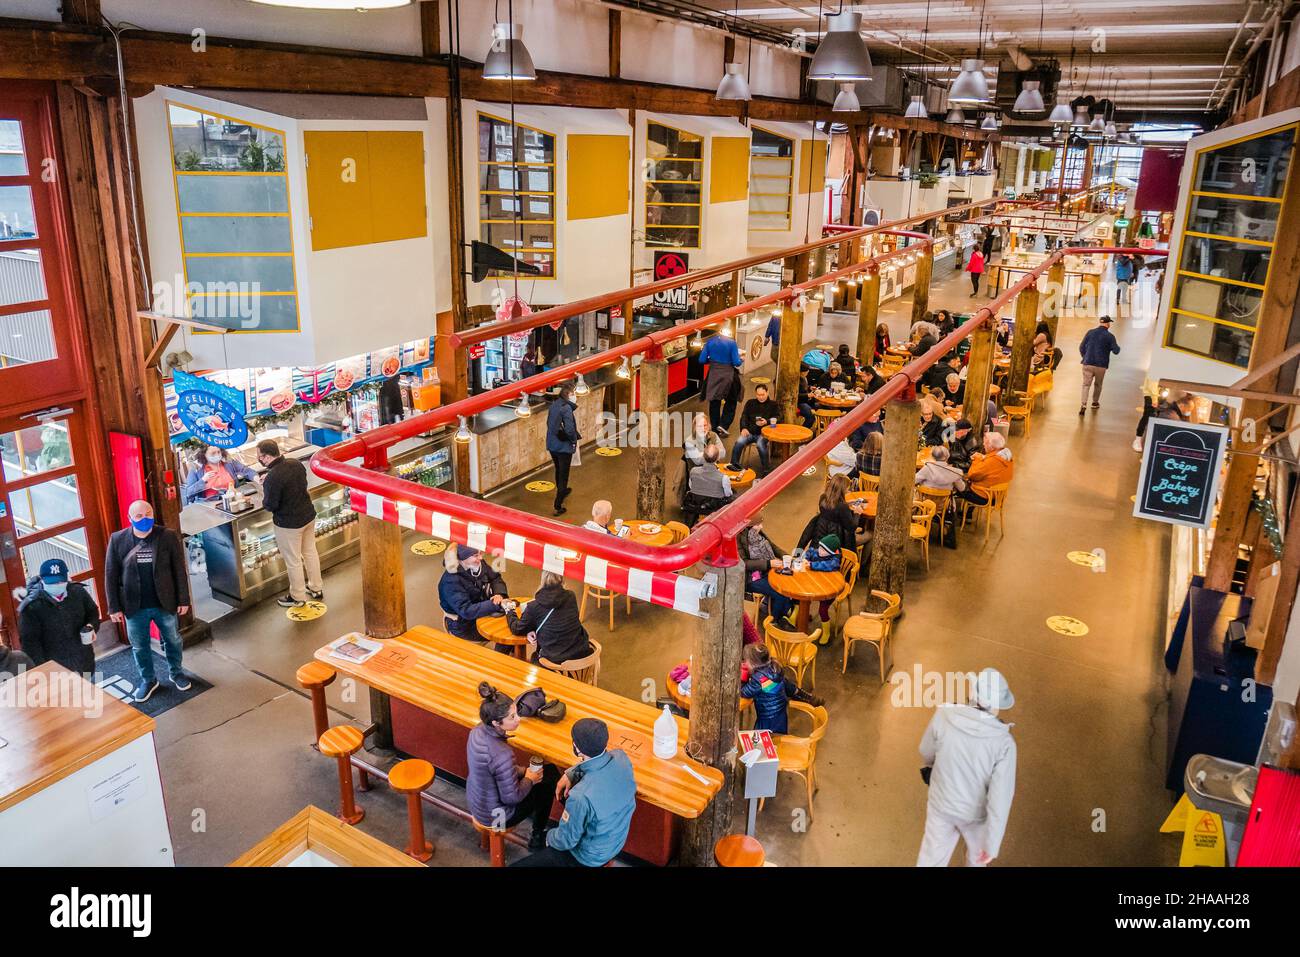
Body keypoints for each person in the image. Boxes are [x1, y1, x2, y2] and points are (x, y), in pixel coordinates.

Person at [917, 668, 1017, 867]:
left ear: (973, 693)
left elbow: (925, 750)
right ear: (997, 705)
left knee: (930, 860)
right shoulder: (1004, 743)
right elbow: (1001, 798)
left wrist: (933, 767)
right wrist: (992, 844)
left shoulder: (944, 713)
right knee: (976, 862)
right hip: (974, 815)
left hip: (941, 802)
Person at [512, 718, 636, 867]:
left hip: (587, 857)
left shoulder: (580, 796)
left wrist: (548, 837)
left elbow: (566, 840)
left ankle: (539, 842)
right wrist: (570, 773)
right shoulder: (621, 757)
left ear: (577, 747)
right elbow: (594, 764)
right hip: (616, 840)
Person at [105, 500, 191, 702]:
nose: (145, 519)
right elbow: (110, 574)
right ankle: (148, 680)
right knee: (140, 646)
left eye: (148, 514)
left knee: (173, 640)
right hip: (134, 606)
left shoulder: (167, 536)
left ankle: (176, 672)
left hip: (165, 602)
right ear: (130, 519)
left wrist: (183, 599)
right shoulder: (118, 540)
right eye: (139, 516)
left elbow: (179, 569)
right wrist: (114, 607)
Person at [466, 682, 560, 851]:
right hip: (497, 817)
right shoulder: (501, 754)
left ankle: (538, 834)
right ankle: (537, 836)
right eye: (512, 717)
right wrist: (530, 779)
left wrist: (524, 772)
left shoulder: (477, 732)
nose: (518, 719)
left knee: (545, 774)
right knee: (549, 778)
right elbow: (512, 798)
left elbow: (496, 770)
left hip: (476, 802)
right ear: (496, 722)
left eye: (516, 713)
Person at [257, 439, 323, 608]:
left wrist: (266, 487)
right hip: (308, 515)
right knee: (310, 552)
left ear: (265, 457)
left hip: (288, 524)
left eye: (259, 456)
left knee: (293, 560)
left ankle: (298, 596)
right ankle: (316, 588)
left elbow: (270, 505)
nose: (259, 459)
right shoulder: (295, 464)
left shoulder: (273, 478)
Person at [17, 559, 99, 676]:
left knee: (88, 689)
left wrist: (91, 626)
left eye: (60, 582)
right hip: (54, 669)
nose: (57, 585)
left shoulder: (78, 592)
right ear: (42, 580)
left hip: (84, 660)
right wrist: (42, 671)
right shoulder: (31, 606)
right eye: (52, 583)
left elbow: (92, 612)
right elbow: (30, 645)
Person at [506, 571, 592, 665]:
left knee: (534, 657)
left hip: (555, 664)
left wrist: (509, 609)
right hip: (582, 655)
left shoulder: (534, 607)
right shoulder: (571, 596)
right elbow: (561, 621)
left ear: (542, 581)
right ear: (562, 579)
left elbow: (517, 628)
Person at [438, 544, 508, 640]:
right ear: (463, 558)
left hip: (481, 610)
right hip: (463, 625)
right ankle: (500, 654)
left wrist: (498, 594)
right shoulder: (451, 582)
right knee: (504, 632)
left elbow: (495, 577)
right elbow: (466, 611)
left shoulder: (477, 564)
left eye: (480, 553)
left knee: (510, 626)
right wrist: (493, 604)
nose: (480, 557)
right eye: (475, 555)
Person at [738, 511, 794, 623]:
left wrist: (785, 556)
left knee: (788, 584)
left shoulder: (757, 533)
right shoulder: (738, 539)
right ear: (749, 526)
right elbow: (744, 563)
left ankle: (783, 612)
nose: (761, 526)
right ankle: (774, 621)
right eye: (758, 524)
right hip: (751, 578)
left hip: (766, 571)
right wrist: (768, 563)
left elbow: (772, 546)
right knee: (781, 592)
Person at [739, 643, 801, 734]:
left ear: (753, 664)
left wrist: (743, 678)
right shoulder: (774, 668)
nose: (744, 663)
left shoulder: (758, 679)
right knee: (779, 737)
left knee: (759, 742)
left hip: (766, 717)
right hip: (781, 714)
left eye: (746, 661)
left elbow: (744, 692)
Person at [799, 474, 861, 554]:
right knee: (869, 535)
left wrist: (847, 504)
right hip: (835, 541)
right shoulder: (842, 507)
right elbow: (851, 527)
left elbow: (833, 508)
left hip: (819, 538)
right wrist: (857, 513)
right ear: (842, 489)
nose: (848, 490)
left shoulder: (823, 498)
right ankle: (861, 563)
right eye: (847, 488)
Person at [700, 331, 743, 437]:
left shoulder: (709, 342)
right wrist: (741, 359)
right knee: (731, 401)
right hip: (729, 376)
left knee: (714, 402)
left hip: (713, 375)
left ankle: (714, 427)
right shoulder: (732, 343)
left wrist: (711, 361)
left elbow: (701, 360)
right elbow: (736, 362)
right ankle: (723, 425)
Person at [181, 445, 256, 505]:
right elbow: (189, 493)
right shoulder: (196, 469)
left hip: (232, 501)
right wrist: (203, 480)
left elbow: (246, 471)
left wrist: (256, 478)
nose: (217, 455)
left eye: (218, 452)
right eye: (213, 453)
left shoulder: (229, 463)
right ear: (204, 455)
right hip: (210, 506)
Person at [546, 381, 579, 516]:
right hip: (563, 447)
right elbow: (570, 430)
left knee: (558, 469)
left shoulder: (555, 405)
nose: (576, 396)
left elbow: (549, 423)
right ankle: (558, 505)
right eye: (574, 394)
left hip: (552, 444)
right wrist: (573, 441)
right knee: (563, 474)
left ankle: (562, 490)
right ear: (568, 394)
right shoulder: (566, 408)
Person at [731, 383, 779, 474]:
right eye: (758, 395)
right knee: (739, 442)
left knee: (760, 444)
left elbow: (778, 418)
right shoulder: (750, 403)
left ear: (767, 392)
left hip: (764, 433)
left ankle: (766, 469)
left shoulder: (773, 405)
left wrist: (767, 422)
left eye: (762, 394)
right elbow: (744, 417)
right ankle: (734, 465)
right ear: (755, 393)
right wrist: (744, 428)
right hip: (750, 432)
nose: (760, 397)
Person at [1078, 315, 1121, 415]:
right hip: (1101, 366)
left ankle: (1083, 405)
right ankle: (1094, 403)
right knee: (1098, 385)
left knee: (1086, 385)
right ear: (1107, 324)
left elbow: (1081, 347)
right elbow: (1116, 351)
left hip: (1088, 363)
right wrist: (1114, 346)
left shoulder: (1090, 332)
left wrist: (1085, 357)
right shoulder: (1110, 336)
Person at [959, 431, 1015, 505]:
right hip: (998, 496)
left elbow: (972, 475)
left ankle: (960, 514)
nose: (983, 444)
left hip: (985, 497)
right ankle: (968, 512)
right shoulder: (1006, 457)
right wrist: (982, 458)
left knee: (957, 485)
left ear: (991, 446)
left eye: (985, 443)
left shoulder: (991, 461)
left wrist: (976, 460)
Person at [684, 444, 733, 524]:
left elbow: (691, 486)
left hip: (696, 506)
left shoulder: (693, 471)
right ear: (718, 458)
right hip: (714, 508)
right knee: (734, 495)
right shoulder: (724, 478)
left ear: (703, 456)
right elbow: (728, 494)